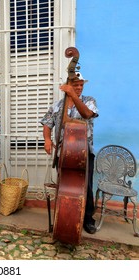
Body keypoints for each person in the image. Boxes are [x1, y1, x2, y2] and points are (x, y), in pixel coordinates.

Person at [40, 72, 99, 234]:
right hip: (64, 153)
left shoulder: (89, 101)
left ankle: (88, 219)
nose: (79, 87)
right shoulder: (58, 105)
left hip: (84, 152)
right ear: (67, 85)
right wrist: (46, 139)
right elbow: (47, 122)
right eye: (75, 85)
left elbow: (87, 115)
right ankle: (65, 216)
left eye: (81, 85)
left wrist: (74, 95)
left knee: (85, 186)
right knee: (64, 186)